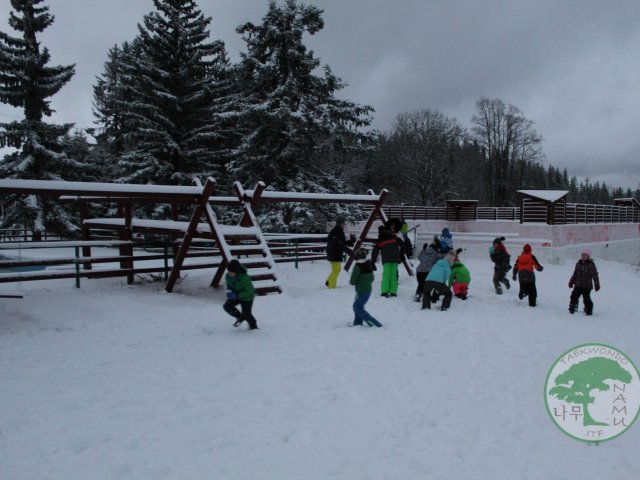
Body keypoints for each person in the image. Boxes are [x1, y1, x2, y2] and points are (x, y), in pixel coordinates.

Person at [349, 248, 382, 327]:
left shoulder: (357, 266)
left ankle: (374, 323)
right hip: (367, 290)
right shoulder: (368, 264)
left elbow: (352, 281)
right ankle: (357, 323)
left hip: (361, 291)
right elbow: (372, 278)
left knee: (357, 307)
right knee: (358, 306)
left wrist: (358, 281)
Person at [371, 224, 406, 297]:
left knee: (386, 275)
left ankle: (385, 291)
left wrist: (372, 263)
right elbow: (403, 244)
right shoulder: (394, 237)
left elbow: (375, 252)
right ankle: (393, 291)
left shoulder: (380, 240)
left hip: (387, 259)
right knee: (393, 275)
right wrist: (402, 255)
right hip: (396, 258)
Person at [223, 259, 258, 330]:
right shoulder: (227, 276)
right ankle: (240, 317)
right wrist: (229, 292)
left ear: (236, 271)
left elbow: (250, 292)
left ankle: (253, 326)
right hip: (236, 295)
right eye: (229, 271)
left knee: (246, 314)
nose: (230, 273)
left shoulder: (244, 278)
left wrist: (237, 295)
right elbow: (229, 285)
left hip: (247, 297)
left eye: (232, 272)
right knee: (227, 306)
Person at [568, 248, 600, 315]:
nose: (583, 256)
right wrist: (571, 281)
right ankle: (572, 308)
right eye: (582, 255)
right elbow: (575, 273)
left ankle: (588, 310)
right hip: (578, 285)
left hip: (587, 286)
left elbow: (595, 275)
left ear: (588, 256)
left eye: (585, 255)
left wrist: (597, 284)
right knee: (573, 296)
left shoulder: (591, 264)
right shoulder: (578, 263)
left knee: (586, 299)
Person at [325, 217, 353, 288]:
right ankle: (331, 286)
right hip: (335, 253)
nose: (345, 224)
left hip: (332, 251)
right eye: (344, 223)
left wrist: (349, 242)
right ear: (341, 223)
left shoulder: (336, 230)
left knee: (336, 270)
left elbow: (339, 242)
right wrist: (349, 252)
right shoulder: (339, 231)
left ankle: (328, 281)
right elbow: (340, 244)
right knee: (336, 270)